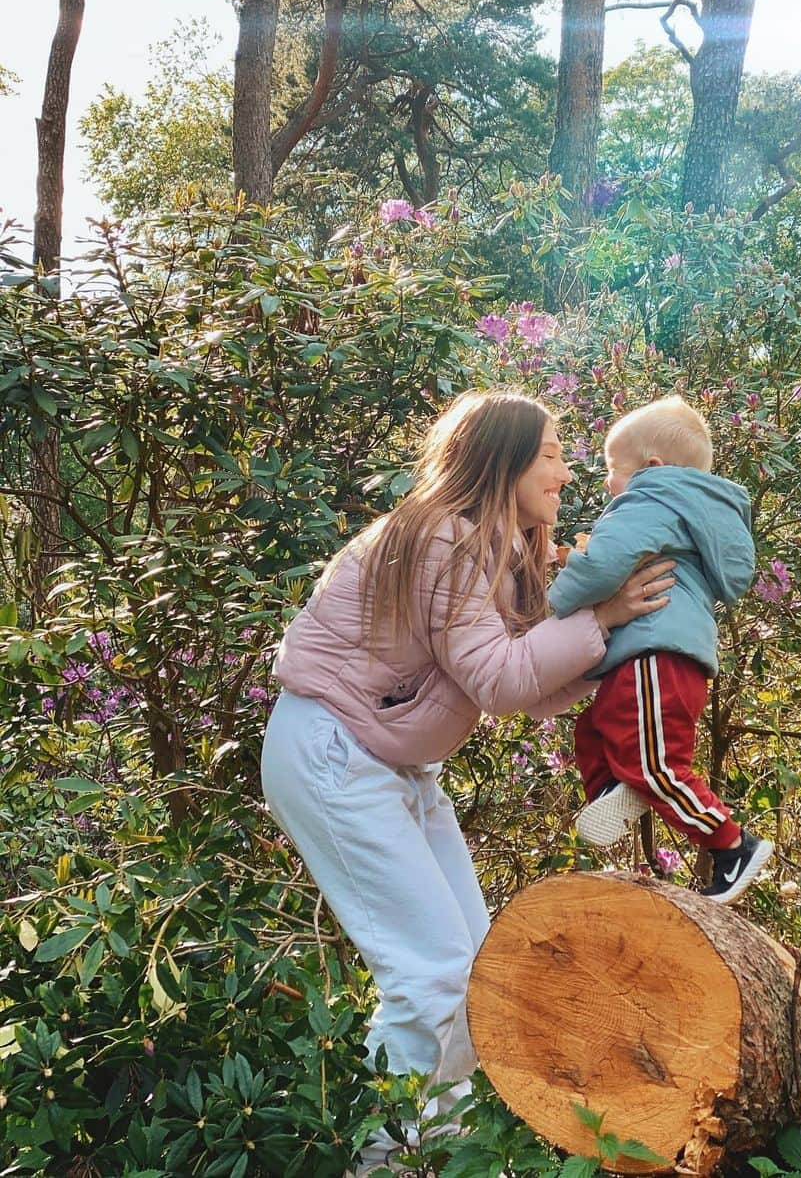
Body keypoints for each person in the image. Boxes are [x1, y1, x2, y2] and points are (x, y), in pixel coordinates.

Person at [260, 389, 674, 1171]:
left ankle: (440, 1155)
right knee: (434, 975)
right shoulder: (444, 541)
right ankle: (384, 1163)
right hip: (334, 750)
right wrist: (602, 621)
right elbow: (501, 680)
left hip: (391, 760)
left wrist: (615, 658)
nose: (565, 469)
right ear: (503, 460)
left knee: (474, 968)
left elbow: (527, 683)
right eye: (550, 453)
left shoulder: (498, 551)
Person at [548, 395, 773, 904]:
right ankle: (614, 788)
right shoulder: (686, 509)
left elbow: (605, 565)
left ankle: (732, 845)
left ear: (651, 468)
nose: (608, 484)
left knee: (659, 765)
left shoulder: (651, 498)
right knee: (598, 726)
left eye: (612, 470)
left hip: (656, 653)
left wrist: (554, 602)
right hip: (662, 657)